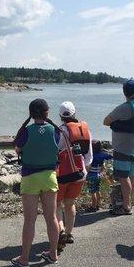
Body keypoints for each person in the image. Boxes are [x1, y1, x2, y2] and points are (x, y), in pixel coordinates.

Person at [11, 99, 61, 267]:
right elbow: (57, 148)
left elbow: (18, 149)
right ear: (47, 113)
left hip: (30, 177)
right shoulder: (55, 130)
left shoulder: (26, 131)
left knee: (30, 220)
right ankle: (53, 254)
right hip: (49, 176)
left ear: (31, 113)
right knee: (51, 217)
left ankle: (24, 258)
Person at [103, 79, 134, 215]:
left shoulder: (124, 108)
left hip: (122, 148)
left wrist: (116, 124)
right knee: (131, 175)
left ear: (124, 92)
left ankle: (126, 206)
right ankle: (128, 201)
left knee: (123, 178)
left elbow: (106, 121)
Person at [55, 101, 92, 250]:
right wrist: (85, 170)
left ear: (60, 115)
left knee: (57, 205)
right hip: (79, 173)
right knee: (70, 204)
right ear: (74, 113)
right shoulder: (84, 130)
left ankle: (61, 231)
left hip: (63, 174)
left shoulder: (59, 131)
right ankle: (69, 234)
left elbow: (55, 151)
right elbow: (89, 156)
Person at [86, 140, 113, 212]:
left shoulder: (90, 156)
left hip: (91, 175)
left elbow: (88, 167)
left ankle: (93, 207)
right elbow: (110, 156)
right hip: (98, 175)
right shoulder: (102, 154)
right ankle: (98, 205)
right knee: (97, 190)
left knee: (92, 192)